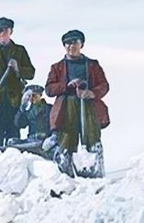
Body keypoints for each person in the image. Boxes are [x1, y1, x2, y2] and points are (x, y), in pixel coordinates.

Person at [44, 29, 110, 177]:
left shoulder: (93, 65)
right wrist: (66, 85)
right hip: (66, 106)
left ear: (82, 44)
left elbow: (104, 85)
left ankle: (95, 174)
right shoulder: (57, 67)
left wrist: (92, 93)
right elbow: (49, 89)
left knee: (92, 139)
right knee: (66, 140)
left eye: (74, 42)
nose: (70, 46)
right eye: (67, 43)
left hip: (89, 105)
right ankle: (65, 177)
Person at [0, 17, 36, 148]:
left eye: (5, 30)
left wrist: (18, 68)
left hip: (13, 101)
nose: (2, 32)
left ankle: (12, 164)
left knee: (13, 136)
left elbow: (31, 73)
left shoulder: (19, 50)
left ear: (11, 31)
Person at [7, 84, 55, 155]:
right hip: (30, 140)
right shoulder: (28, 110)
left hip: (43, 140)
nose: (32, 98)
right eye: (29, 96)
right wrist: (22, 109)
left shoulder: (49, 108)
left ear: (40, 95)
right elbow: (19, 124)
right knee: (12, 142)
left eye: (35, 95)